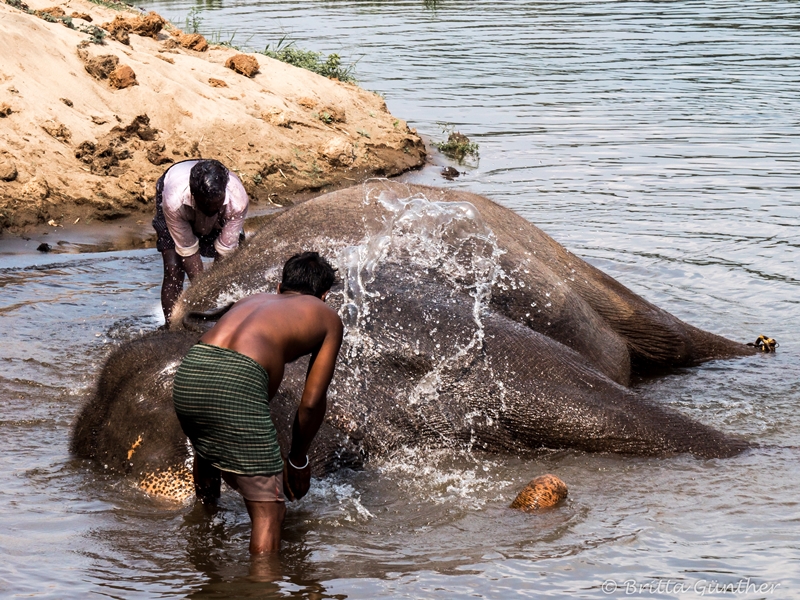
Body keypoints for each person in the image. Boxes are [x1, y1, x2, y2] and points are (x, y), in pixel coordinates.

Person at [172, 252, 344, 554]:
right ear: (325, 295)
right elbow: (312, 402)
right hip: (239, 378)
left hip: (191, 368)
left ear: (279, 287)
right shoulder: (326, 316)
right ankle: (260, 589)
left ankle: (203, 548)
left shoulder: (251, 299)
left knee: (207, 454)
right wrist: (298, 459)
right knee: (270, 511)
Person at [152, 159, 249, 327]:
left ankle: (230, 321)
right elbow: (187, 250)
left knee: (235, 265)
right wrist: (203, 292)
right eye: (205, 204)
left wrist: (216, 294)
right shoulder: (173, 201)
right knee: (173, 268)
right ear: (194, 194)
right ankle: (171, 327)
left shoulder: (237, 201)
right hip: (175, 197)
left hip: (224, 215)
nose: (210, 209)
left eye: (215, 204)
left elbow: (225, 252)